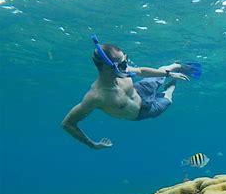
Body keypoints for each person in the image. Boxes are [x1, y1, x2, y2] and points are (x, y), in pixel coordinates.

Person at [62, 35, 202, 149]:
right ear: (107, 67)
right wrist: (92, 144)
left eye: (126, 60)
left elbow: (141, 71)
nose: (127, 65)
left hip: (140, 90)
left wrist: (168, 74)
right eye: (123, 63)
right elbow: (68, 123)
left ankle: (175, 65)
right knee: (167, 101)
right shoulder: (96, 97)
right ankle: (170, 90)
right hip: (141, 112)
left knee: (160, 74)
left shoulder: (123, 70)